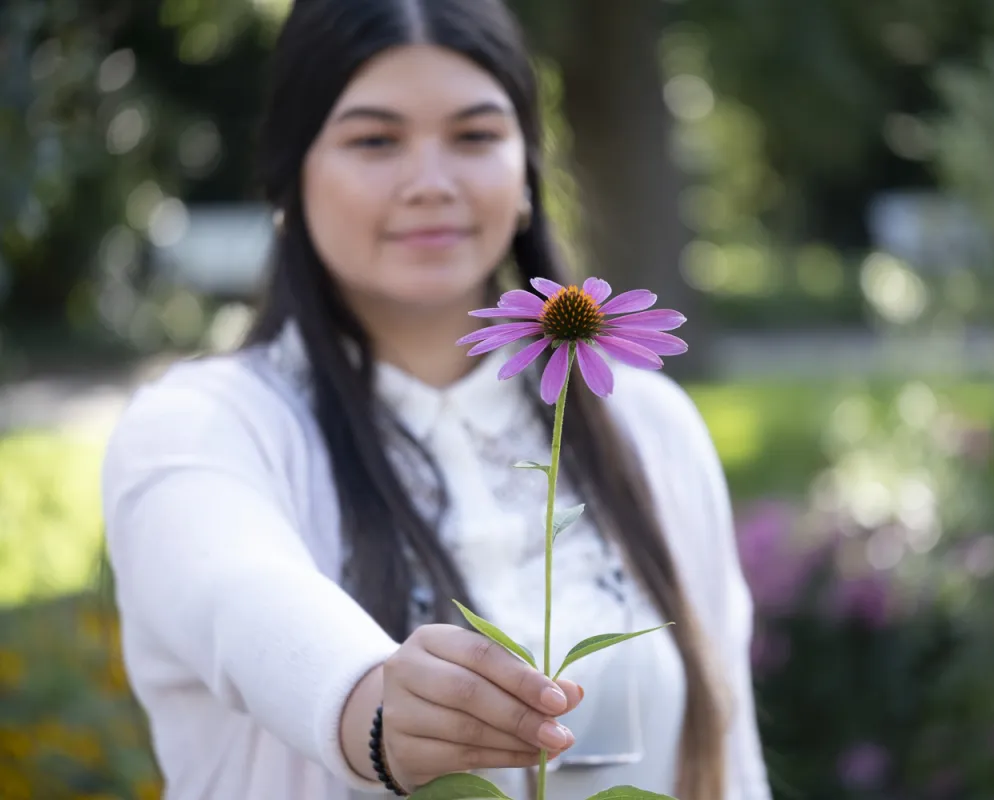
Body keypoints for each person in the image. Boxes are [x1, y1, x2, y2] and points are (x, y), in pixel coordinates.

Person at [100, 0, 771, 797]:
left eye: (475, 136)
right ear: (290, 175)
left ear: (526, 173)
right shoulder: (204, 427)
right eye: (375, 140)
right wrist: (372, 701)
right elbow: (237, 596)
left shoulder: (647, 423)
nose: (431, 183)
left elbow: (730, 763)